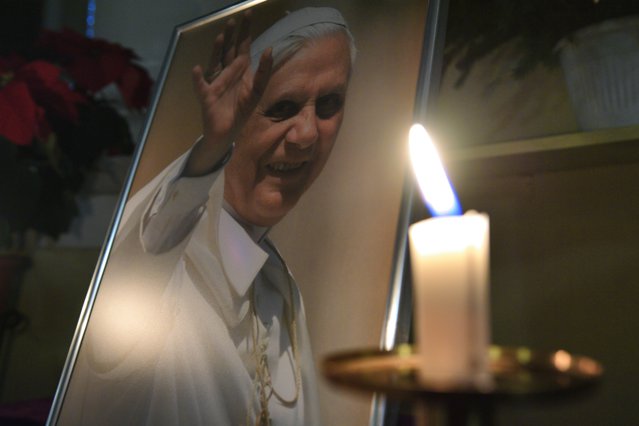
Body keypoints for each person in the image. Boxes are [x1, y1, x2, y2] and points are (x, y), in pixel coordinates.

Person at [55, 7, 355, 426]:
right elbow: (148, 254)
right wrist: (211, 152)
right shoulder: (157, 262)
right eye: (283, 106)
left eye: (329, 104)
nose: (307, 134)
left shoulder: (279, 289)